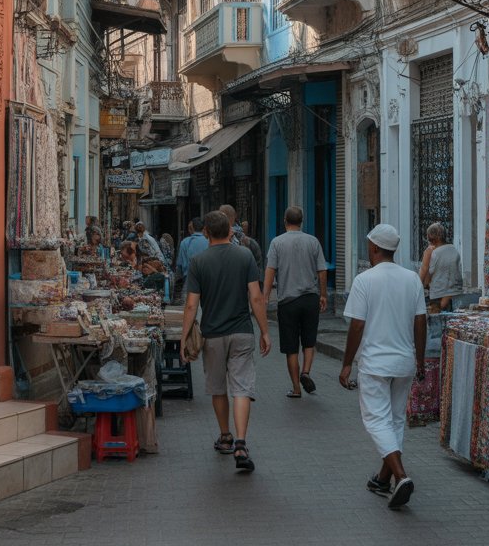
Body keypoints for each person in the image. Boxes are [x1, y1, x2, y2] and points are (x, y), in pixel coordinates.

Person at [339, 223, 426, 511]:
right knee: (396, 420)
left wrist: (347, 363)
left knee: (376, 420)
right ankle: (382, 478)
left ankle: (401, 475)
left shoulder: (365, 280)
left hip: (376, 362)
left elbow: (357, 325)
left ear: (374, 248)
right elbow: (420, 322)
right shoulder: (412, 279)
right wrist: (421, 359)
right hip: (404, 362)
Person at [181, 209, 271, 473]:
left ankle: (225, 437)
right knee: (242, 388)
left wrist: (183, 336)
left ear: (206, 232)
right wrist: (265, 331)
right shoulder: (244, 256)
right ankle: (242, 443)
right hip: (242, 331)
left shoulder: (198, 261)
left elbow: (190, 305)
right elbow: (256, 297)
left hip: (213, 334)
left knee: (218, 387)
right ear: (230, 230)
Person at [263, 206, 327, 398]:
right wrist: (323, 294)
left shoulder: (277, 243)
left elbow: (270, 270)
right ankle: (305, 372)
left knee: (291, 347)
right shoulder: (313, 241)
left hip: (288, 302)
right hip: (310, 299)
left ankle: (296, 388)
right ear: (302, 222)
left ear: (285, 221)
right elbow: (322, 270)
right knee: (309, 341)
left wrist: (264, 295)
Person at [419, 222, 464, 312]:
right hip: (455, 293)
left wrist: (418, 284)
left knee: (436, 319)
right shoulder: (454, 250)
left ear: (431, 240)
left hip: (438, 294)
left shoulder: (433, 253)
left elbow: (425, 274)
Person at [175, 218, 208, 299]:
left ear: (191, 229)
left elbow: (179, 265)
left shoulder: (185, 242)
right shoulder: (209, 241)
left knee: (189, 305)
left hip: (189, 280)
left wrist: (177, 283)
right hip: (208, 280)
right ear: (203, 228)